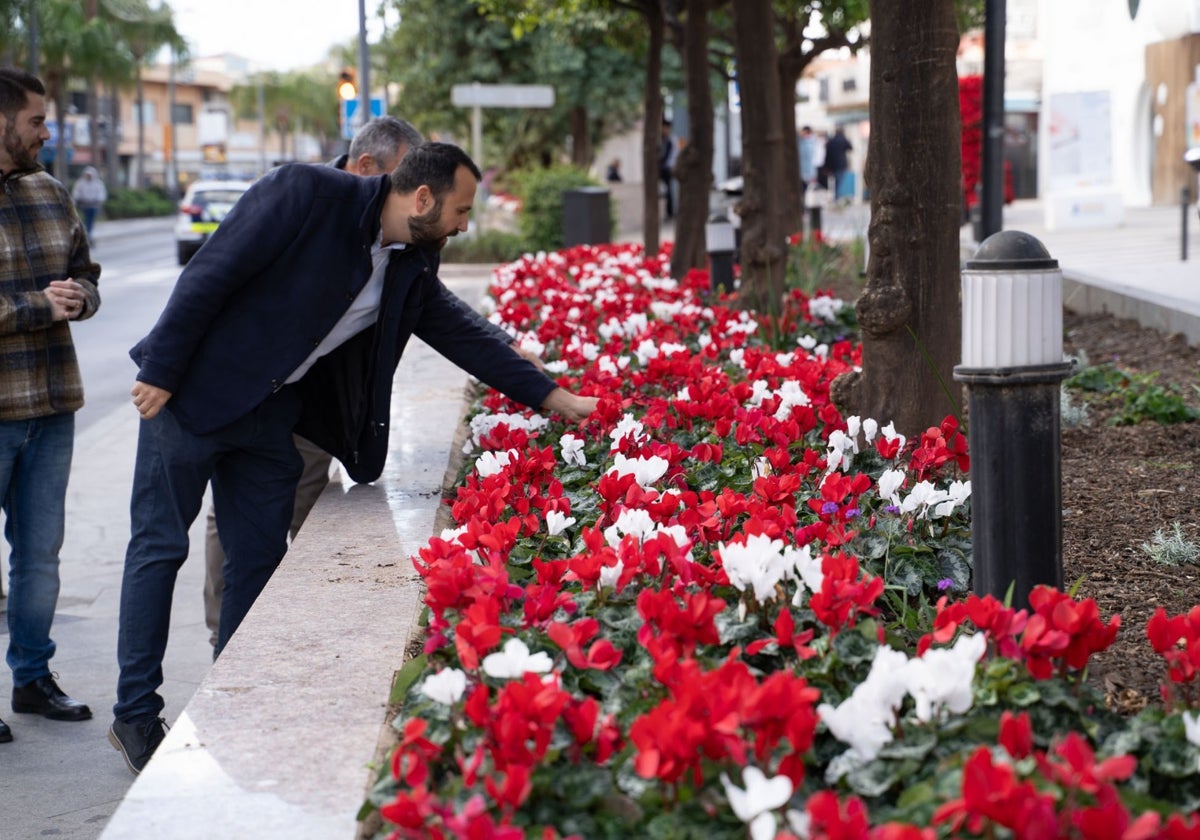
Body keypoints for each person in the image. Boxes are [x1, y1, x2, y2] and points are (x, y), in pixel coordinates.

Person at [109, 141, 598, 775]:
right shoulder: (304, 194)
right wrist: (162, 369)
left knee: (258, 561)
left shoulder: (412, 261)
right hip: (187, 400)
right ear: (421, 198)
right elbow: (210, 273)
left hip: (269, 420)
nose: (464, 225)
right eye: (460, 209)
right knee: (159, 548)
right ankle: (135, 714)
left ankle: (235, 701)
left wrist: (556, 396)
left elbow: (453, 328)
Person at [199, 116, 538, 652]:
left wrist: (502, 347)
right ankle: (232, 636)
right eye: (405, 176)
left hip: (322, 402)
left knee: (303, 508)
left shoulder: (407, 226)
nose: (416, 193)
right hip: (252, 399)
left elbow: (433, 304)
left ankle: (284, 626)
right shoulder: (308, 202)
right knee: (239, 521)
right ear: (366, 167)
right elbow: (211, 281)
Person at [0, 67, 101, 744]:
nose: (47, 131)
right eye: (37, 120)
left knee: (39, 557)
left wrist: (81, 298)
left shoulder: (51, 191)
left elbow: (87, 276)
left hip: (53, 404)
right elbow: (45, 302)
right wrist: (42, 306)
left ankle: (33, 680)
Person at [70, 165, 107, 243]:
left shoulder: (98, 183)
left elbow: (101, 194)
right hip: (83, 205)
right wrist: (76, 200)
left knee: (90, 220)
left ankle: (88, 235)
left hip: (93, 205)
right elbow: (76, 193)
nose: (88, 176)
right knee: (82, 220)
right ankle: (84, 234)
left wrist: (98, 200)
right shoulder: (80, 183)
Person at [824, 126, 853, 201]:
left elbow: (827, 155)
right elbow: (850, 147)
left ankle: (835, 197)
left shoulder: (831, 141)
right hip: (841, 164)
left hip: (832, 165)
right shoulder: (843, 140)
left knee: (835, 182)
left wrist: (826, 166)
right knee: (838, 182)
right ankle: (836, 197)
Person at [658, 119, 677, 220]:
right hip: (663, 168)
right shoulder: (662, 139)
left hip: (666, 168)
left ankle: (669, 212)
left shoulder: (670, 140)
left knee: (668, 191)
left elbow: (665, 156)